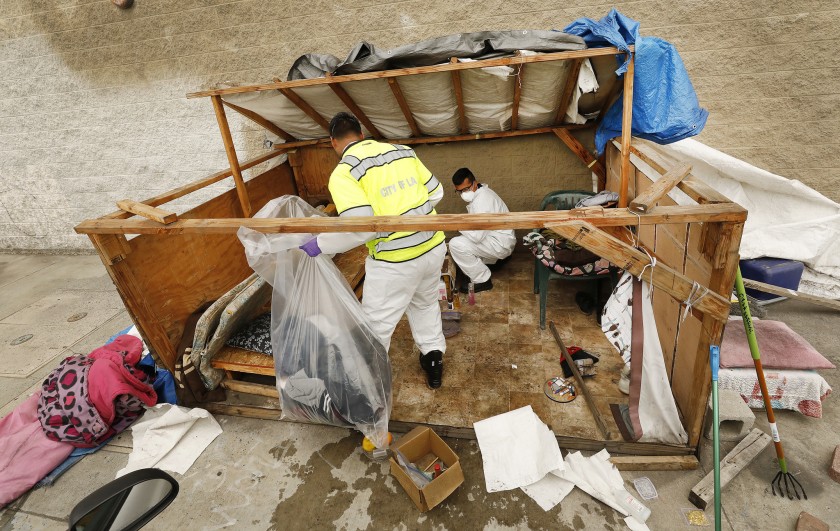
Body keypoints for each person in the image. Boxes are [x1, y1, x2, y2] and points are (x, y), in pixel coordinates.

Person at [298, 112, 447, 389]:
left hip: (395, 261)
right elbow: (436, 193)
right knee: (425, 304)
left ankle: (365, 388)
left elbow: (361, 228)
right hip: (433, 247)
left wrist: (320, 244)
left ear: (333, 143)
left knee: (377, 326)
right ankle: (434, 361)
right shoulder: (403, 153)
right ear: (362, 134)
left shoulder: (345, 172)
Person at [448, 168, 516, 293]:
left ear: (475, 182)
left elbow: (477, 236)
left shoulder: (482, 201)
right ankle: (494, 262)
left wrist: (457, 225)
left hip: (500, 244)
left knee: (455, 244)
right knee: (466, 237)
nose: (463, 193)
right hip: (500, 238)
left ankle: (482, 280)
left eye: (466, 189)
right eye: (459, 191)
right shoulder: (482, 192)